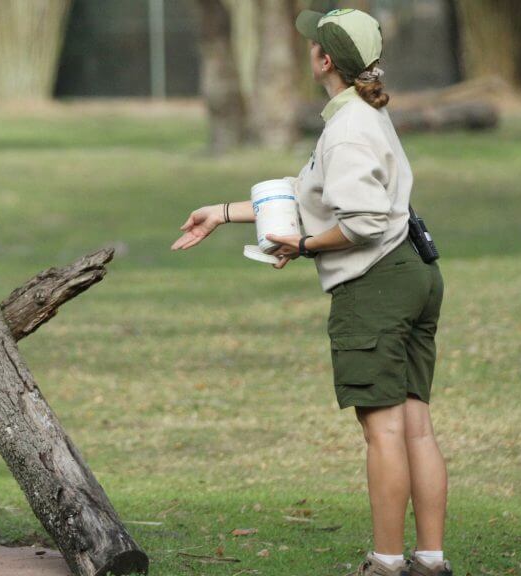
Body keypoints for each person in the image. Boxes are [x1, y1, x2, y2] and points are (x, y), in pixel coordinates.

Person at [171, 9, 450, 576]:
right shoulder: (361, 114)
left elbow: (362, 222)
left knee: (386, 431)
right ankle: (430, 560)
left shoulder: (346, 129)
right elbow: (308, 195)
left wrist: (304, 247)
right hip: (414, 271)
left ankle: (388, 563)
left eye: (313, 45)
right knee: (415, 424)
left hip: (377, 284)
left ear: (326, 61)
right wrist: (223, 214)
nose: (308, 52)